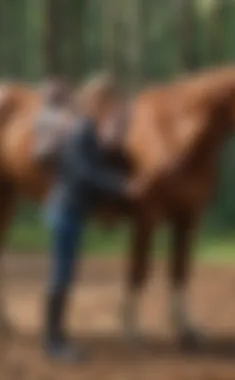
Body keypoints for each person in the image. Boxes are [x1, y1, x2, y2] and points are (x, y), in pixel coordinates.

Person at [42, 74, 141, 362]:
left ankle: (56, 338)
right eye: (110, 104)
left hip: (70, 210)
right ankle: (53, 342)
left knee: (65, 275)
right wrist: (122, 186)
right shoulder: (81, 130)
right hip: (66, 210)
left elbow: (93, 167)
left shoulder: (89, 130)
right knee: (61, 275)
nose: (113, 109)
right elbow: (84, 173)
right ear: (97, 102)